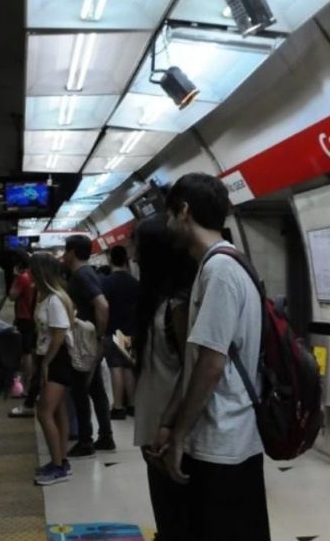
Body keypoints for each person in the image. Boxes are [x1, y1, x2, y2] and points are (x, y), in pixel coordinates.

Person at [154, 173, 271, 541]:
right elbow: (198, 361)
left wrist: (179, 436)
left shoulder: (219, 271)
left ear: (184, 211)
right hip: (233, 438)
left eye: (169, 214)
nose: (167, 224)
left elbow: (210, 366)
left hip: (223, 442)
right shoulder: (232, 263)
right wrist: (170, 421)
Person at [132, 216, 196, 541]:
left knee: (176, 514)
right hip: (154, 428)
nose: (133, 256)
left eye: (138, 247)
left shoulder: (178, 306)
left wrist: (170, 425)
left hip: (169, 432)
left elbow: (193, 367)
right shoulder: (157, 303)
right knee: (167, 512)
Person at [62, 235, 115, 458]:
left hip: (86, 344)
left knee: (81, 391)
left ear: (73, 252)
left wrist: (99, 337)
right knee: (95, 389)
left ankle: (86, 440)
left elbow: (102, 305)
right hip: (88, 342)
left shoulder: (82, 276)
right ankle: (105, 436)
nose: (63, 256)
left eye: (65, 251)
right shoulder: (86, 274)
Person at [28, 253, 77, 485]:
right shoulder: (50, 297)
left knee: (44, 412)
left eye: (32, 270)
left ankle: (58, 467)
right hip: (53, 358)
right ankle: (61, 461)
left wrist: (46, 362)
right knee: (58, 412)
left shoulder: (54, 300)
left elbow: (59, 333)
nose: (29, 274)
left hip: (56, 359)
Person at [102, 245, 139, 419]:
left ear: (110, 260)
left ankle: (118, 407)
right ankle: (132, 404)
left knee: (115, 367)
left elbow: (104, 308)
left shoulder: (107, 282)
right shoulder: (134, 282)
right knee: (128, 367)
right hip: (130, 330)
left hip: (113, 329)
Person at [8, 253, 38, 417]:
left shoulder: (22, 278)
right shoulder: (33, 278)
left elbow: (12, 296)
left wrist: (15, 278)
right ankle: (29, 383)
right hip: (31, 319)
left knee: (25, 353)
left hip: (24, 319)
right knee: (30, 352)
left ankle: (26, 386)